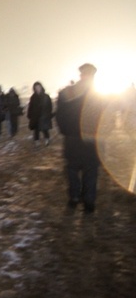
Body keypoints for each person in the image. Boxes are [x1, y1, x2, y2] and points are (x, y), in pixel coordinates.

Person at [56, 63, 103, 213]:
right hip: (85, 139)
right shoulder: (98, 95)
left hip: (78, 138)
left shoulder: (69, 92)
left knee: (75, 170)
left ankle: (78, 198)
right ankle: (84, 200)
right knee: (84, 171)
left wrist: (66, 131)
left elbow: (60, 115)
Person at [27, 81, 53, 146]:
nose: (37, 88)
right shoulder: (33, 97)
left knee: (45, 129)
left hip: (44, 115)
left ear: (41, 87)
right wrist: (29, 114)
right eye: (36, 87)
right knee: (36, 129)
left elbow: (50, 106)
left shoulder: (46, 96)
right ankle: (37, 141)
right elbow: (31, 106)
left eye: (38, 87)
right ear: (34, 88)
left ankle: (47, 139)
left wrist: (48, 113)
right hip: (35, 115)